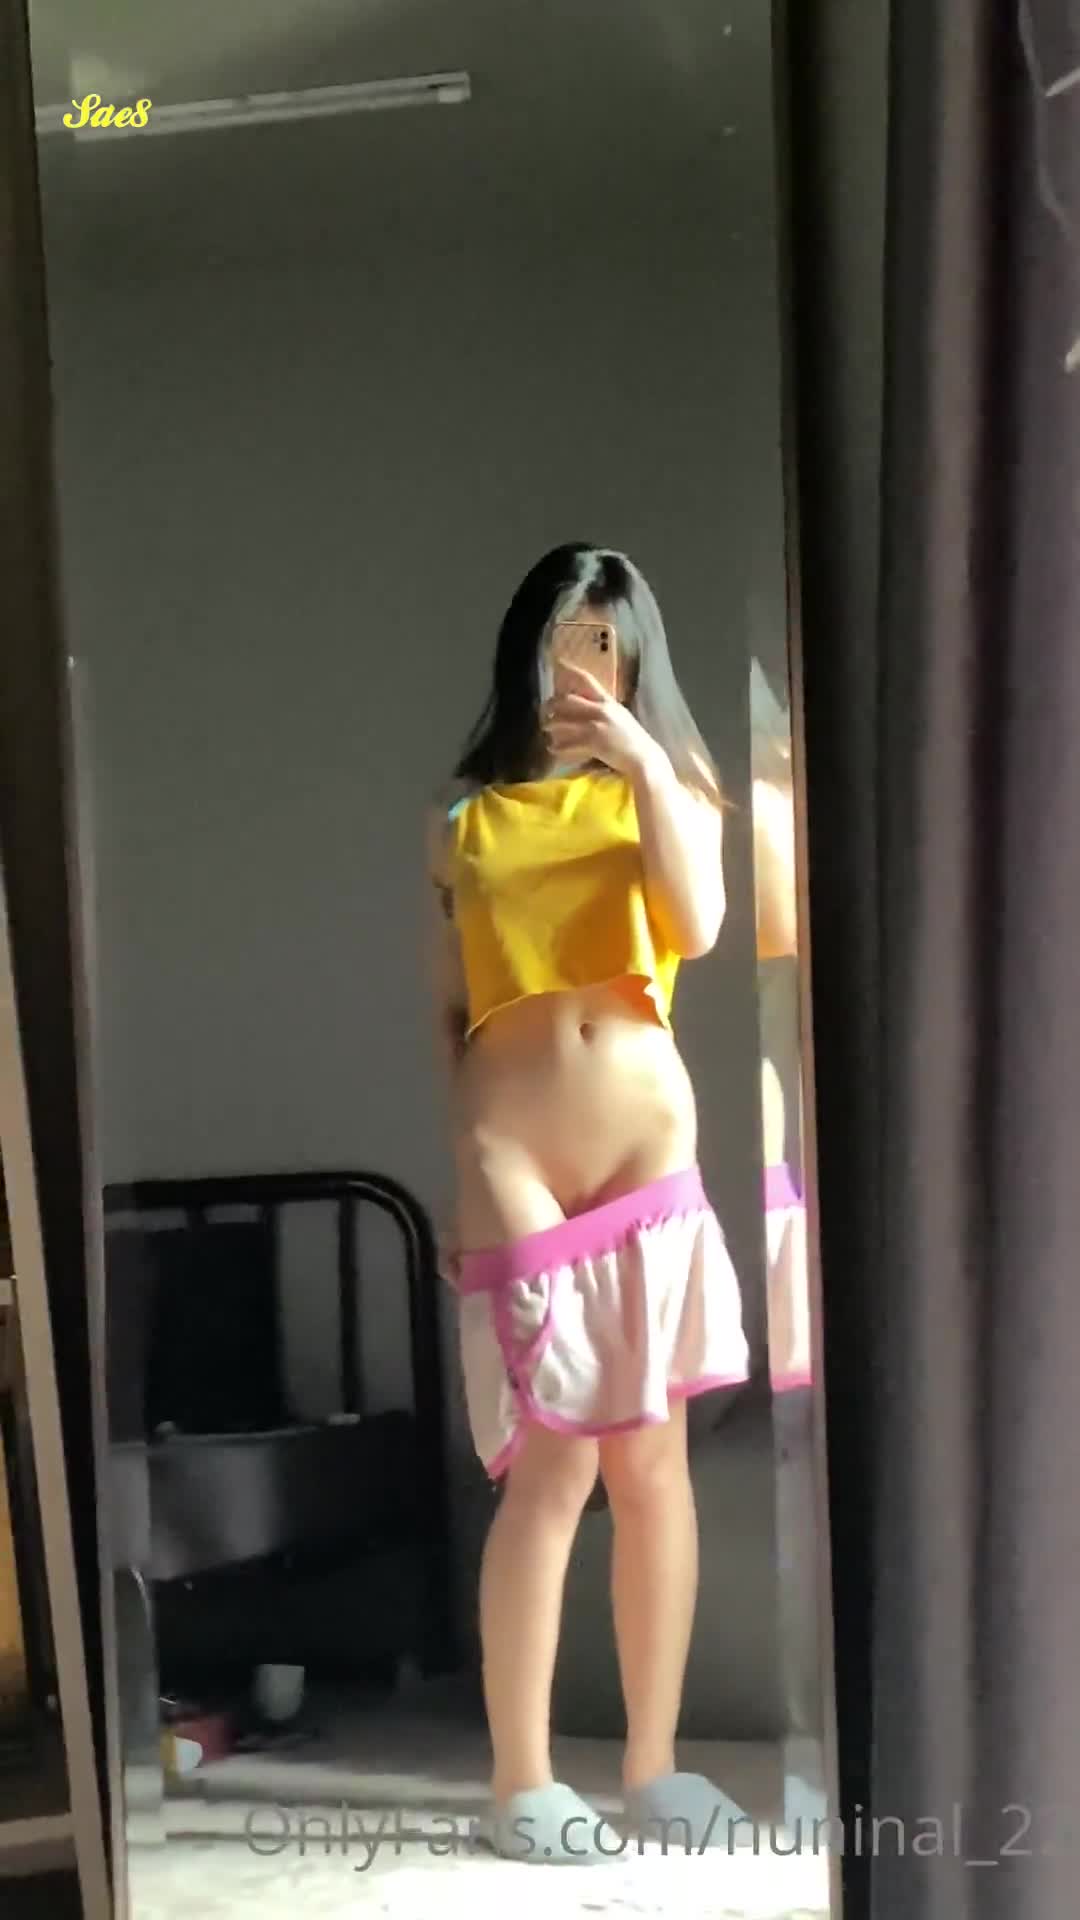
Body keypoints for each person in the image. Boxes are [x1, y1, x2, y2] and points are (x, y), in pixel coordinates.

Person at [427, 544, 749, 1863]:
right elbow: (452, 1011)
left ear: (636, 657)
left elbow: (701, 923)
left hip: (644, 1151)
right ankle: (523, 1781)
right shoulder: (465, 821)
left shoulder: (675, 791)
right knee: (551, 1466)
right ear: (529, 650)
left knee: (651, 1465)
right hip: (513, 1150)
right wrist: (461, 1170)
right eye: (566, 639)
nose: (584, 667)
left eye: (606, 643)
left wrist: (643, 762)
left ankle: (654, 1768)